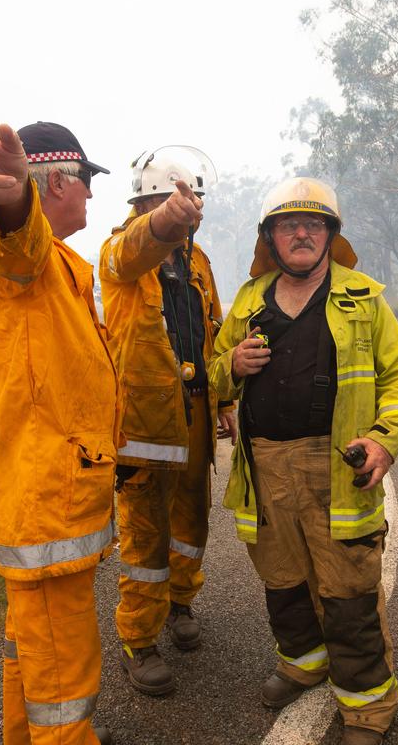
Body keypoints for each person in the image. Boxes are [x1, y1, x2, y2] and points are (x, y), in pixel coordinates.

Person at [0, 104, 202, 745]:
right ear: (57, 183)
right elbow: (15, 241)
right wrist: (12, 204)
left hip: (52, 494)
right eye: (86, 179)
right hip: (46, 504)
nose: (95, 191)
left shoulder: (68, 264)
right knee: (64, 670)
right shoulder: (19, 254)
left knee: (30, 648)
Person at [208, 177, 398, 745]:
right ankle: (303, 663)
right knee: (282, 582)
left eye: (314, 224)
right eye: (288, 224)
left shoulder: (364, 298)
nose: (301, 233)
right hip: (265, 468)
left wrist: (383, 438)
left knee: (348, 592)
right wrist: (232, 365)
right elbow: (210, 373)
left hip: (337, 472)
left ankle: (369, 708)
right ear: (270, 237)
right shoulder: (250, 300)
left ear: (330, 235)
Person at [100, 146, 233, 696]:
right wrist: (162, 223)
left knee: (191, 523)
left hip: (196, 410)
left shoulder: (197, 263)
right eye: (175, 199)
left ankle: (181, 604)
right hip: (145, 422)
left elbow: (215, 331)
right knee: (145, 534)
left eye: (193, 200)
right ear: (146, 202)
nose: (189, 208)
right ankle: (139, 639)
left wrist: (223, 401)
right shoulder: (120, 250)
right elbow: (136, 249)